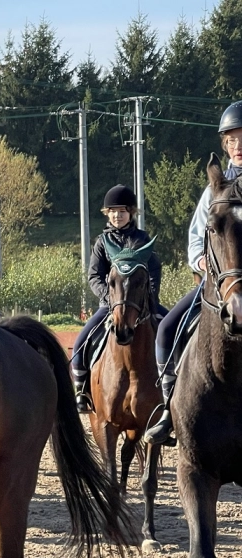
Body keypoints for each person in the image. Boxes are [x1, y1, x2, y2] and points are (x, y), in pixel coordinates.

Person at [145, 100, 242, 444]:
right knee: (166, 331)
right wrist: (201, 262)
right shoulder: (213, 191)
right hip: (218, 286)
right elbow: (195, 239)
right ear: (224, 145)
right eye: (231, 140)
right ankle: (169, 410)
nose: (238, 146)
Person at [71, 184, 164, 413]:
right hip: (110, 305)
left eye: (122, 211)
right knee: (81, 342)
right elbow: (94, 276)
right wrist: (108, 297)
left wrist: (149, 296)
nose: (117, 215)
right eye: (112, 211)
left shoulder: (143, 239)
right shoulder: (102, 243)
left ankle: (174, 387)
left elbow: (154, 271)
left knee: (173, 331)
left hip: (142, 304)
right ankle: (81, 389)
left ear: (131, 213)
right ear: (107, 213)